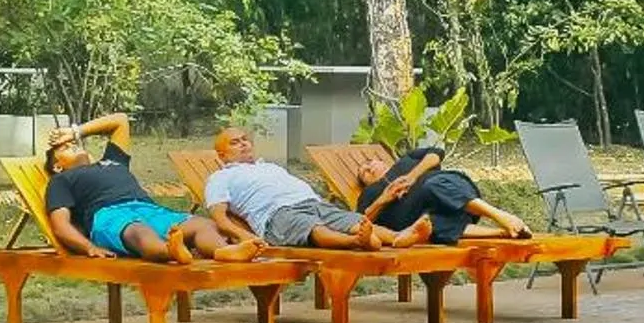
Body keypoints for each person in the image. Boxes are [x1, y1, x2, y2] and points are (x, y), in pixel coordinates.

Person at [44, 115, 261, 263]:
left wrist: (74, 132)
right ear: (57, 165)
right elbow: (60, 225)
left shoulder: (112, 161)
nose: (71, 145)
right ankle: (170, 251)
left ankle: (224, 252)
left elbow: (120, 120)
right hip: (109, 216)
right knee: (139, 232)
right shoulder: (62, 180)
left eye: (72, 143)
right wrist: (88, 247)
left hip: (149, 209)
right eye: (63, 148)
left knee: (202, 224)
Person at [203, 125, 432, 250]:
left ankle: (398, 237)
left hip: (313, 203)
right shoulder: (220, 178)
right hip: (278, 215)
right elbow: (220, 218)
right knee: (312, 229)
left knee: (356, 222)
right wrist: (245, 237)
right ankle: (355, 243)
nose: (243, 144)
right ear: (222, 155)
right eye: (235, 142)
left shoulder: (268, 167)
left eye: (245, 139)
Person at [352, 141, 534, 246]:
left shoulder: (405, 161)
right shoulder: (369, 194)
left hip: (451, 189)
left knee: (434, 184)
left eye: (369, 164)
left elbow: (436, 153)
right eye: (364, 173)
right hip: (429, 217)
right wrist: (384, 198)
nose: (369, 169)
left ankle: (500, 215)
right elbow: (361, 221)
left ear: (381, 161)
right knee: (432, 227)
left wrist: (412, 176)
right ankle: (503, 233)